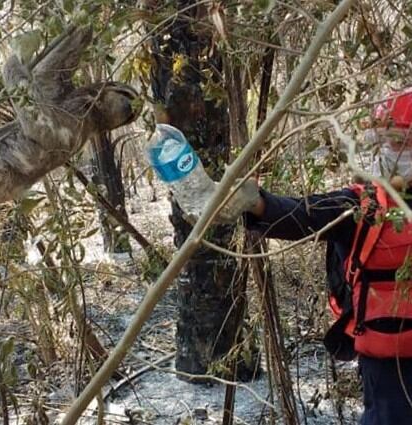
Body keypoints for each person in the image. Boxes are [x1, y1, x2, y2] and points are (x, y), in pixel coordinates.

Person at [177, 89, 412, 424]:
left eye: (398, 141)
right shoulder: (361, 206)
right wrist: (252, 202)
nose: (389, 153)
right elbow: (301, 215)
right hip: (387, 365)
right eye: (382, 142)